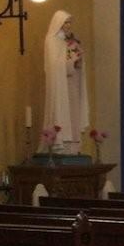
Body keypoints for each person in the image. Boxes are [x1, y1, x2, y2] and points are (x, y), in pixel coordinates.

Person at [42, 10, 89, 155]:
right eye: (65, 22)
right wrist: (70, 61)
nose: (68, 26)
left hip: (72, 85)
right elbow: (53, 66)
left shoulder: (70, 42)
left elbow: (75, 65)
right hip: (60, 87)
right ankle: (59, 144)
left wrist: (79, 60)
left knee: (73, 113)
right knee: (61, 112)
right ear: (59, 23)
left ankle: (73, 148)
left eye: (70, 22)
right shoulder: (51, 41)